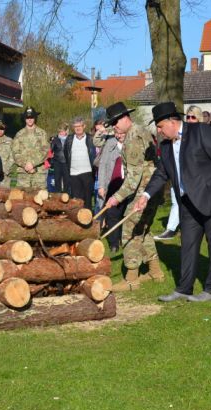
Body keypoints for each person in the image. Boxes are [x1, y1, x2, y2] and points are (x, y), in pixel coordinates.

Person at [133, 101, 211, 303]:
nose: (159, 131)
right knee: (188, 245)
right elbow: (161, 174)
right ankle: (184, 288)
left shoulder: (200, 131)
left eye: (160, 126)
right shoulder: (165, 146)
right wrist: (145, 196)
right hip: (186, 202)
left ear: (172, 121)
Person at [102, 102, 162, 291]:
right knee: (142, 230)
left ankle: (131, 278)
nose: (114, 127)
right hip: (151, 189)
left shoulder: (133, 137)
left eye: (115, 122)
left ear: (124, 117)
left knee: (129, 230)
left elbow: (134, 177)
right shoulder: (138, 131)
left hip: (143, 190)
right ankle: (155, 271)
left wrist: (116, 197)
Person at [155, 107, 203, 241]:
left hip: (199, 188)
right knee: (177, 202)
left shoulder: (201, 135)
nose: (190, 120)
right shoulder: (167, 143)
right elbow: (162, 171)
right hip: (179, 184)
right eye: (188, 117)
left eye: (193, 117)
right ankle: (171, 228)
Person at [93, 124, 123, 252]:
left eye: (120, 133)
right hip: (112, 184)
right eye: (116, 133)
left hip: (128, 184)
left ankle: (125, 239)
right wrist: (101, 185)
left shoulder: (132, 143)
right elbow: (103, 164)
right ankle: (114, 243)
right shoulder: (110, 143)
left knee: (124, 213)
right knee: (112, 214)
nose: (118, 135)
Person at [12, 106, 49, 189]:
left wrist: (32, 163)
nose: (29, 119)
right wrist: (25, 164)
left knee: (40, 198)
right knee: (22, 199)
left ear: (35, 118)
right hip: (23, 173)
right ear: (24, 118)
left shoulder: (42, 133)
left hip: (38, 173)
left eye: (31, 117)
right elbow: (15, 152)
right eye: (27, 117)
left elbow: (45, 151)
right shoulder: (19, 134)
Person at [64, 117, 96, 209]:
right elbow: (66, 153)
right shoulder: (69, 139)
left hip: (87, 173)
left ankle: (88, 219)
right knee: (77, 201)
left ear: (84, 126)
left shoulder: (90, 139)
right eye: (75, 126)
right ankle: (78, 220)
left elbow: (93, 154)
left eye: (80, 126)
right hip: (74, 174)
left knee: (88, 200)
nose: (77, 128)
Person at [0, 120, 13, 189]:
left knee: (5, 195)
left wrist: (7, 168)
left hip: (5, 174)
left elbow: (12, 156)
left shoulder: (10, 141)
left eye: (1, 129)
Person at [50, 123, 69, 193]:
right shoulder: (55, 139)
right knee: (57, 179)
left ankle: (66, 194)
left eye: (63, 131)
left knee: (67, 180)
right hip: (57, 162)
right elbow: (50, 151)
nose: (61, 133)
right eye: (60, 131)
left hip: (66, 162)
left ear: (66, 131)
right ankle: (57, 194)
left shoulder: (70, 139)